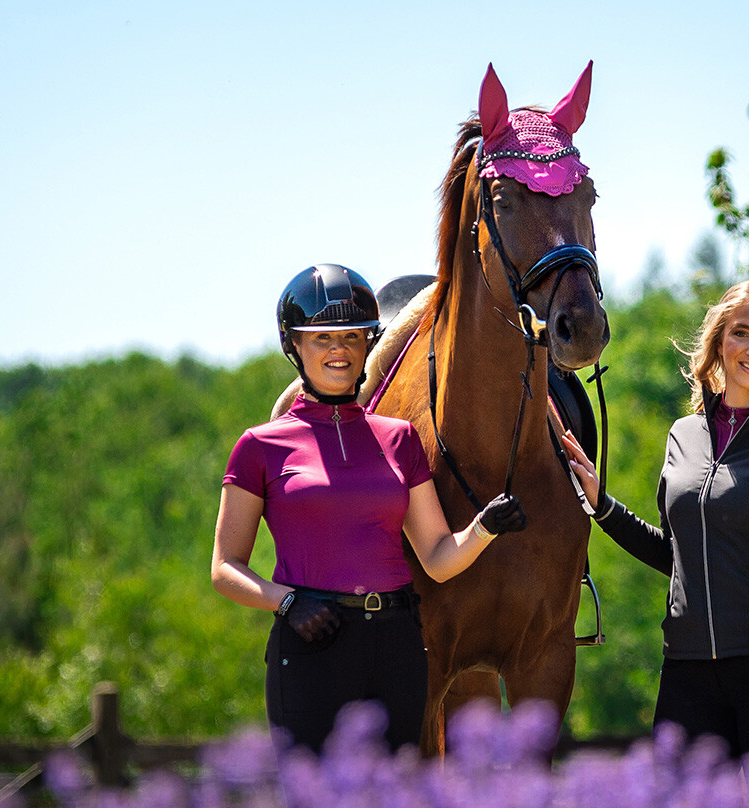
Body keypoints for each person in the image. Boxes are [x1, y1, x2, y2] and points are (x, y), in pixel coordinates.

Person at [212, 264, 526, 756]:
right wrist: (286, 602)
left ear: (368, 345)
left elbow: (438, 558)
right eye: (322, 338)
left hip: (398, 645)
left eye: (352, 336)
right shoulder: (259, 447)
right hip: (312, 639)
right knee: (313, 797)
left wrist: (484, 528)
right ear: (293, 345)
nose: (338, 349)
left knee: (398, 794)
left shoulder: (400, 439)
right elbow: (225, 568)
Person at [561, 279, 749, 760]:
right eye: (741, 332)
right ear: (719, 341)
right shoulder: (683, 435)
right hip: (687, 672)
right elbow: (677, 556)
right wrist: (602, 505)